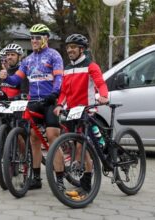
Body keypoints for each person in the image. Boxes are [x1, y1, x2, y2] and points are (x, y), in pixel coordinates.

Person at [0, 24, 64, 190]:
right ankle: (36, 178)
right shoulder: (28, 60)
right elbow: (17, 80)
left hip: (49, 101)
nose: (34, 40)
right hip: (34, 101)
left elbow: (59, 78)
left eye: (37, 37)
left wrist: (55, 94)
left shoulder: (54, 55)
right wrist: (6, 76)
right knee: (34, 138)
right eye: (32, 37)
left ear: (45, 38)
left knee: (52, 137)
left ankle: (60, 181)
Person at [53, 34, 108, 199]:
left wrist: (104, 96)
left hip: (86, 111)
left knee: (81, 147)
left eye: (73, 47)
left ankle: (86, 186)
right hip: (72, 112)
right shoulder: (68, 69)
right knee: (75, 144)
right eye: (68, 47)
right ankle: (81, 175)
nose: (70, 50)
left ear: (81, 49)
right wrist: (59, 105)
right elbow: (64, 92)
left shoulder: (91, 66)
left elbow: (100, 83)